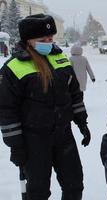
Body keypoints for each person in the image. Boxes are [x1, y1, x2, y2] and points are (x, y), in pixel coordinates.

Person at [0, 14, 91, 200]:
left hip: (64, 136)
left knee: (75, 185)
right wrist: (15, 146)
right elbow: (7, 110)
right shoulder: (13, 68)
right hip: (33, 141)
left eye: (50, 39)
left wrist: (82, 122)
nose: (49, 43)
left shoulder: (61, 59)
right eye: (43, 40)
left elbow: (74, 94)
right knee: (38, 192)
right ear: (28, 40)